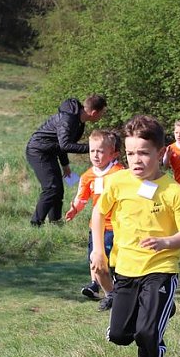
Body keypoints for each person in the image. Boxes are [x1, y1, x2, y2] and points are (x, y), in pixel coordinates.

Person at [90, 115, 180, 357]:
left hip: (160, 269)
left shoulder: (173, 191)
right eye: (130, 153)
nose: (136, 160)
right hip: (126, 271)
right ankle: (164, 308)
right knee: (119, 335)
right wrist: (98, 250)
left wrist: (166, 242)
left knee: (147, 333)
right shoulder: (118, 182)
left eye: (143, 153)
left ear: (160, 152)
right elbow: (99, 213)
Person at [65, 130, 125, 309]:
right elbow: (81, 198)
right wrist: (74, 209)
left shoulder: (120, 173)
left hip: (115, 226)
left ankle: (114, 290)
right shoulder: (87, 176)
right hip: (96, 226)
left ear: (112, 154)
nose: (95, 155)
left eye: (100, 151)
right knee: (93, 256)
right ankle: (96, 286)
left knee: (107, 259)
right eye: (92, 151)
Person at [26, 94, 106, 226]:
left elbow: (61, 144)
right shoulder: (69, 119)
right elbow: (65, 145)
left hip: (50, 152)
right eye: (102, 113)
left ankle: (55, 222)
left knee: (58, 190)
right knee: (51, 188)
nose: (102, 116)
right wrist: (93, 147)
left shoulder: (79, 122)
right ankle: (35, 224)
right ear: (94, 113)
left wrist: (65, 165)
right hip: (38, 151)